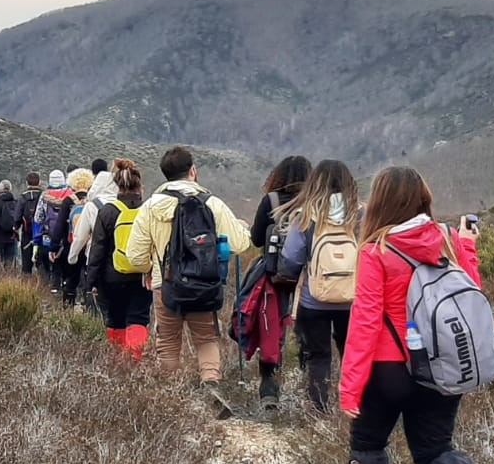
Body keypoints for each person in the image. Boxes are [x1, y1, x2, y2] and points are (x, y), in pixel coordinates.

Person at [339, 166, 494, 464]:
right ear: (423, 198)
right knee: (434, 450)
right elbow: (470, 296)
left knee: (368, 443)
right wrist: (468, 246)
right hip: (441, 367)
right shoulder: (447, 240)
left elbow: (365, 322)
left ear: (380, 202)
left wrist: (350, 387)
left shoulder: (376, 250)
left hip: (389, 369)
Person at [125, 146, 252, 396]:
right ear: (193, 171)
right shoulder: (212, 203)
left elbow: (135, 256)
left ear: (165, 174)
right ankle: (211, 385)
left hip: (165, 285)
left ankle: (171, 394)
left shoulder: (150, 207)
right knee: (206, 338)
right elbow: (239, 244)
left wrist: (151, 270)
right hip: (203, 284)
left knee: (168, 342)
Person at [277, 159, 360, 412]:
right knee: (353, 356)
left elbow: (291, 259)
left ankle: (319, 410)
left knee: (318, 357)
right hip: (353, 301)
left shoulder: (306, 216)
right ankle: (353, 408)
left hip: (314, 301)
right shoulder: (361, 215)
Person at [249, 156, 311, 409]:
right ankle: (312, 389)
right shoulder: (314, 202)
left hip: (275, 275)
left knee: (271, 330)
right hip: (308, 277)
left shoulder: (271, 200)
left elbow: (256, 238)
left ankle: (269, 388)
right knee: (309, 332)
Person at [81, 158, 151, 360]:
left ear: (118, 185)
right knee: (138, 319)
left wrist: (91, 282)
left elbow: (97, 250)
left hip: (111, 277)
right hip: (142, 276)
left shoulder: (107, 211)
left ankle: (118, 363)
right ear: (140, 185)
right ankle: (135, 361)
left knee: (115, 319)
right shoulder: (148, 211)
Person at [69, 159, 116, 308]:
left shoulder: (92, 206)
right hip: (121, 259)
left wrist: (72, 257)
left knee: (99, 303)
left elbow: (80, 236)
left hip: (96, 258)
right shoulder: (123, 203)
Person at [55, 168, 95, 306]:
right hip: (90, 246)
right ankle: (88, 305)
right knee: (89, 277)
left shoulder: (68, 201)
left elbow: (60, 225)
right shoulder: (93, 201)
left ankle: (68, 306)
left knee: (71, 278)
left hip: (71, 245)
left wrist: (54, 246)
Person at [33, 170, 73, 290]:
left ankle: (52, 287)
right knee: (66, 262)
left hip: (48, 235)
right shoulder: (71, 195)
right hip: (67, 235)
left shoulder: (45, 196)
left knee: (50, 262)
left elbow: (38, 218)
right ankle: (66, 286)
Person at [0, 179, 20, 273]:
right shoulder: (16, 203)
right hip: (11, 237)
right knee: (10, 264)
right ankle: (9, 280)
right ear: (10, 189)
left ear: (0, 189)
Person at [17, 172, 44, 275]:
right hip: (41, 234)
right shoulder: (44, 196)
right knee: (41, 265)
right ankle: (43, 282)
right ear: (39, 182)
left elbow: (17, 217)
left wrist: (16, 228)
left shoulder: (22, 197)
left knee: (26, 266)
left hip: (27, 234)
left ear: (26, 183)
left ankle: (27, 283)